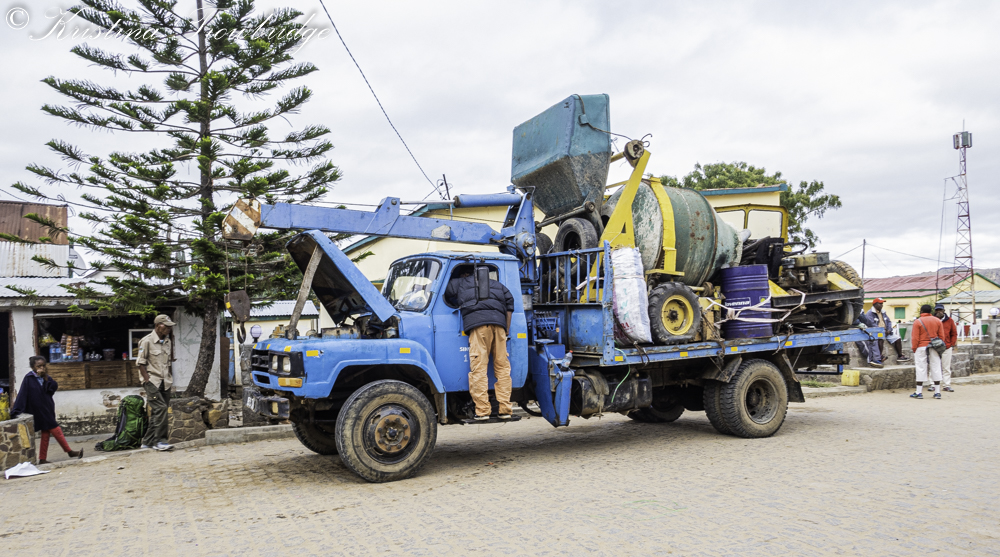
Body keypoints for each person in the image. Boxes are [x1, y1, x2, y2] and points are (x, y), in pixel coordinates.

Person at [445, 267, 515, 420]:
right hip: (500, 326)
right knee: (502, 367)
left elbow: (447, 290)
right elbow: (510, 303)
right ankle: (505, 409)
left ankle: (483, 411)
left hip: (479, 327)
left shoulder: (461, 282)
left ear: (466, 274)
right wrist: (506, 328)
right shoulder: (497, 284)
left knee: (479, 368)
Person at [11, 356, 84, 464]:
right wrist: (16, 410)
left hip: (47, 408)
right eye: (38, 366)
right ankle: (70, 451)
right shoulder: (29, 378)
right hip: (38, 411)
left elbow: (52, 388)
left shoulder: (46, 377)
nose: (42, 368)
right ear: (33, 367)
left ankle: (42, 458)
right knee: (55, 429)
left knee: (46, 433)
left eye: (43, 365)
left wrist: (45, 377)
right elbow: (23, 394)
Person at [137, 314, 176, 451]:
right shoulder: (146, 341)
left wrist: (169, 377)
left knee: (158, 413)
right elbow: (140, 363)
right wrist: (147, 381)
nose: (169, 329)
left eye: (170, 327)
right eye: (166, 326)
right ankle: (160, 441)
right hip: (152, 381)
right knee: (161, 409)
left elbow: (168, 362)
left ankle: (147, 442)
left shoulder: (168, 341)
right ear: (158, 326)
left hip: (165, 382)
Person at [910, 304, 945, 399]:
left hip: (921, 346)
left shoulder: (918, 321)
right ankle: (937, 392)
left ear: (921, 311)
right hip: (934, 346)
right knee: (936, 366)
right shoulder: (937, 321)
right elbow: (941, 336)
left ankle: (919, 392)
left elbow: (915, 337)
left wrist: (914, 348)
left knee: (921, 368)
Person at [866, 298, 910, 363]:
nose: (882, 305)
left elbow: (889, 322)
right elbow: (871, 324)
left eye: (882, 303)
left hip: (886, 332)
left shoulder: (883, 312)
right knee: (880, 338)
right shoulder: (870, 313)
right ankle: (880, 356)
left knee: (897, 338)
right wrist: (882, 331)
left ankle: (900, 356)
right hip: (877, 332)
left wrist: (889, 330)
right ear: (875, 304)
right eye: (880, 303)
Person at [935, 303, 958, 392]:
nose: (938, 312)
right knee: (934, 366)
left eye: (940, 310)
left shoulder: (950, 321)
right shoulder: (933, 320)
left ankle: (946, 385)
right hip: (935, 346)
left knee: (946, 367)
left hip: (946, 346)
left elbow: (954, 333)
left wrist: (951, 344)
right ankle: (933, 384)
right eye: (937, 310)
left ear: (944, 311)